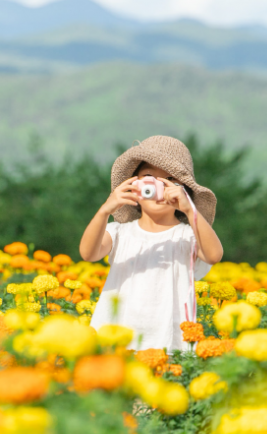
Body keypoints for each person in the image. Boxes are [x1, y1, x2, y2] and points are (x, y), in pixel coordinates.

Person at [78, 135, 223, 352]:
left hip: (168, 338)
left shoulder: (188, 236)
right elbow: (88, 253)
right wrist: (105, 210)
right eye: (149, 177)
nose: (158, 186)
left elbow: (213, 255)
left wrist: (190, 209)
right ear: (134, 186)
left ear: (184, 190)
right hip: (118, 335)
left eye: (169, 180)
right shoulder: (119, 232)